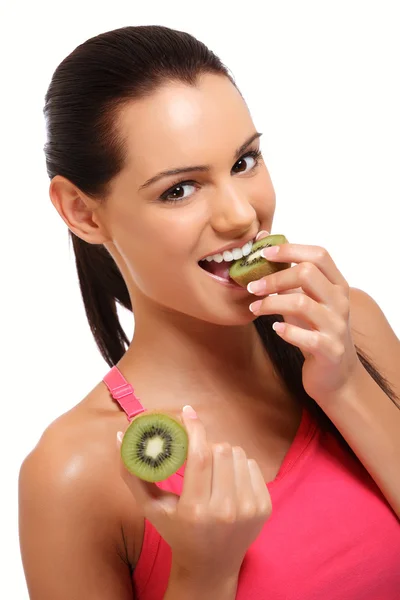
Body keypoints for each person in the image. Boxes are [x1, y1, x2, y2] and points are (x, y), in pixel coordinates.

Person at [18, 25, 400, 600]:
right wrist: (203, 574)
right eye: (180, 189)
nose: (240, 215)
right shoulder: (72, 474)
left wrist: (346, 385)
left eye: (245, 161)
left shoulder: (350, 329)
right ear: (83, 213)